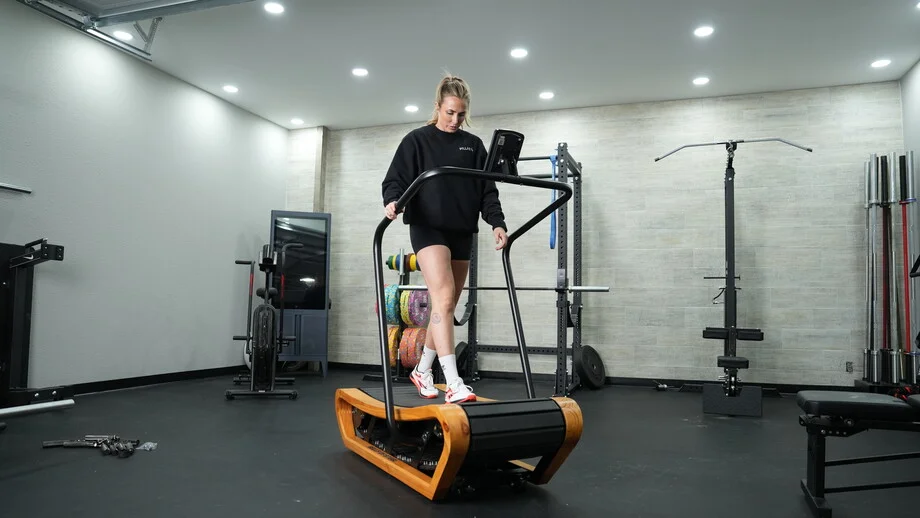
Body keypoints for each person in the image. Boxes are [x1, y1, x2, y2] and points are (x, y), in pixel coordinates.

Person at [381, 74, 508, 404]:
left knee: (446, 304)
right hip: (428, 227)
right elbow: (395, 179)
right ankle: (452, 381)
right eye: (450, 112)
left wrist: (497, 223)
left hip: (462, 229)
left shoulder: (473, 145)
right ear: (438, 107)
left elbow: (487, 190)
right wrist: (393, 201)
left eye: (461, 114)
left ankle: (422, 369)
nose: (455, 120)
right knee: (444, 294)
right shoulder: (417, 140)